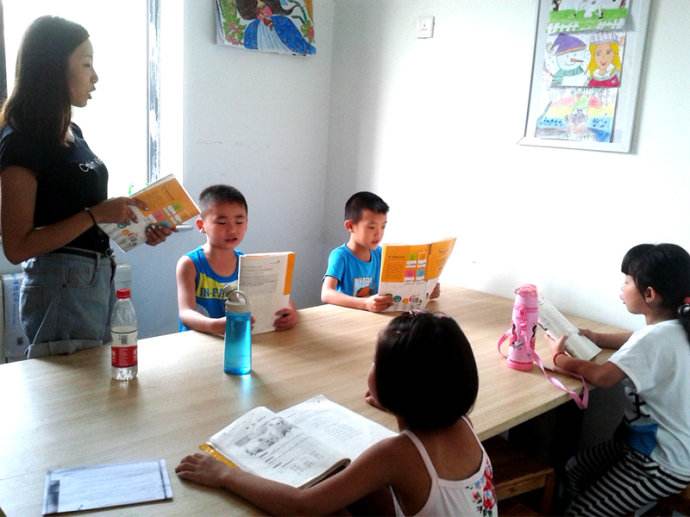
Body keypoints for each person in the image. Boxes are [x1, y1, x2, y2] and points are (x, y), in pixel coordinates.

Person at [176, 310, 497, 515]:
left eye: (375, 362)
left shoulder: (396, 454)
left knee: (329, 506)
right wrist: (393, 402)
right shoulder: (462, 423)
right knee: (363, 490)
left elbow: (303, 507)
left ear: (396, 385)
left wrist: (226, 475)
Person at [0, 16, 171, 358]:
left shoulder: (72, 132)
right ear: (53, 68)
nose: (95, 77)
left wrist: (137, 227)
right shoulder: (21, 141)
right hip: (61, 284)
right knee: (74, 388)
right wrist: (95, 214)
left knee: (101, 381)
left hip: (97, 276)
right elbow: (17, 247)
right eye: (87, 64)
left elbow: (84, 216)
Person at [548, 243, 690, 515]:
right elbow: (636, 339)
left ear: (649, 294)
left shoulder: (655, 338)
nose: (621, 289)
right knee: (574, 470)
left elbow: (603, 377)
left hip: (660, 463)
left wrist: (559, 359)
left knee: (581, 512)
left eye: (626, 282)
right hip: (649, 446)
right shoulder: (675, 328)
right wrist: (597, 337)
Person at [176, 184, 298, 335]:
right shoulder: (189, 264)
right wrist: (215, 325)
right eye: (222, 222)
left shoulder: (247, 264)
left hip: (236, 339)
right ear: (201, 225)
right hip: (199, 340)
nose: (232, 230)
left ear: (246, 224)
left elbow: (281, 298)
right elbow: (186, 312)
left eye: (239, 222)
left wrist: (292, 313)